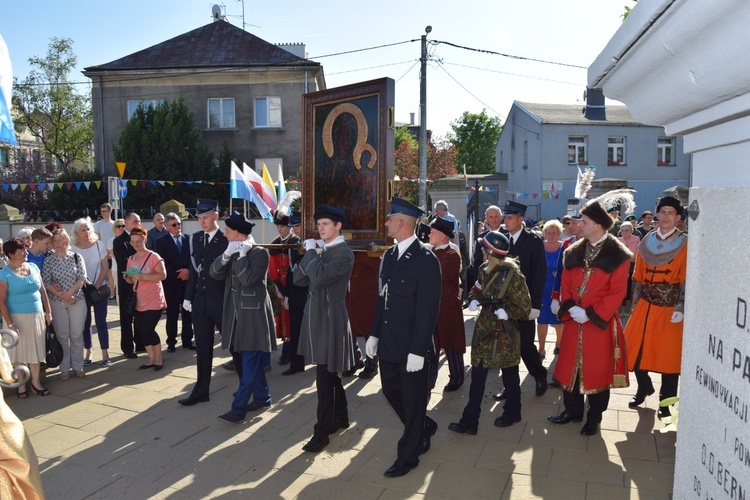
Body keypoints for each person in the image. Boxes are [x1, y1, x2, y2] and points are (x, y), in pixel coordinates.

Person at [366, 197, 442, 478]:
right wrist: (374, 334)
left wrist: (419, 350)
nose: (385, 223)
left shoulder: (426, 260)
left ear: (401, 222)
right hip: (390, 341)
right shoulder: (389, 256)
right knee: (391, 392)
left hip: (412, 345)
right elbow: (381, 300)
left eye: (389, 219)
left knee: (412, 401)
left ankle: (408, 456)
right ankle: (423, 424)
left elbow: (428, 310)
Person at [548, 200, 631, 436]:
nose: (579, 225)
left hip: (598, 324)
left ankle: (594, 417)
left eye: (584, 222)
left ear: (598, 225)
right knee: (569, 367)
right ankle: (573, 411)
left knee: (597, 371)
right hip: (574, 320)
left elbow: (618, 292)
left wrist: (591, 314)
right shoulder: (573, 250)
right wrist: (568, 305)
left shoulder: (619, 255)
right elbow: (565, 281)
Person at [449, 230, 531, 434]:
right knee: (477, 375)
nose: (482, 252)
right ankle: (470, 421)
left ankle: (513, 411)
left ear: (491, 252)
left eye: (484, 249)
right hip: (485, 329)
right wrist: (474, 299)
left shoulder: (514, 276)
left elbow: (525, 307)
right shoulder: (484, 269)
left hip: (504, 332)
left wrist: (508, 312)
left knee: (510, 374)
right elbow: (476, 289)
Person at [293, 204, 356, 452]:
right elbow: (299, 279)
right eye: (318, 225)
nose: (320, 229)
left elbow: (317, 278)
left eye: (325, 224)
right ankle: (340, 417)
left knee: (324, 378)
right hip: (317, 316)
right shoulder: (322, 252)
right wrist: (313, 255)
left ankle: (322, 433)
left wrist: (311, 254)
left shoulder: (343, 253)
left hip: (330, 318)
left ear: (338, 226)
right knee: (329, 373)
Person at [624, 196, 687, 418]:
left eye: (672, 213)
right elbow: (638, 277)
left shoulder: (685, 242)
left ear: (678, 217)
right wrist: (634, 302)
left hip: (671, 309)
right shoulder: (646, 240)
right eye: (663, 212)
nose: (667, 216)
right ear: (657, 215)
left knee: (668, 360)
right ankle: (644, 387)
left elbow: (686, 279)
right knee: (633, 350)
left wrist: (682, 306)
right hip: (645, 305)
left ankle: (666, 404)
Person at [212, 212, 276, 423]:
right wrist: (226, 256)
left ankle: (238, 409)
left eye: (228, 230)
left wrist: (241, 256)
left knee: (249, 362)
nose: (224, 233)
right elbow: (215, 274)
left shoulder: (259, 253)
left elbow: (248, 279)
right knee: (253, 359)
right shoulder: (232, 250)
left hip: (253, 315)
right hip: (236, 315)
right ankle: (262, 397)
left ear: (237, 232)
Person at [494, 201, 548, 400]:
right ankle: (510, 387)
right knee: (506, 347)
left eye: (509, 218)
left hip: (524, 304)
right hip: (504, 305)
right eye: (505, 218)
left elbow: (539, 274)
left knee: (525, 345)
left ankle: (540, 375)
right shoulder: (502, 241)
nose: (505, 221)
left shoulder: (533, 241)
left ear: (520, 219)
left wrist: (535, 306)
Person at [178, 199, 228, 406]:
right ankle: (201, 391)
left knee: (235, 346)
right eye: (199, 218)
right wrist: (188, 297)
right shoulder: (196, 239)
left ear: (216, 216)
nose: (201, 221)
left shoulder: (226, 239)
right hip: (200, 302)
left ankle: (249, 387)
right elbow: (194, 272)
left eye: (205, 217)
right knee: (203, 349)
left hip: (221, 302)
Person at [0, 238, 53, 397]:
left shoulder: (34, 267)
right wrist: (10, 324)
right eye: (21, 251)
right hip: (16, 319)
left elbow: (43, 291)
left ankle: (36, 384)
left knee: (35, 352)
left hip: (36, 316)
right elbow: (1, 302)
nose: (25, 253)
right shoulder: (4, 273)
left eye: (25, 249)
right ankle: (21, 385)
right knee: (19, 354)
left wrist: (48, 311)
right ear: (11, 254)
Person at [42, 228, 88, 380]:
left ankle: (78, 366)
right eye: (55, 241)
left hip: (77, 300)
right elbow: (46, 283)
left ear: (66, 240)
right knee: (62, 336)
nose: (58, 243)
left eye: (60, 240)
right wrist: (62, 295)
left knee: (76, 334)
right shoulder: (48, 260)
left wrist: (70, 294)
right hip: (57, 302)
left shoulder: (76, 256)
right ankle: (64, 368)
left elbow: (82, 278)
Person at [426, 216, 466, 392]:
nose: (428, 235)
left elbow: (437, 274)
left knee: (451, 344)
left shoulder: (451, 254)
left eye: (432, 232)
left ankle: (457, 377)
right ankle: (428, 383)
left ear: (442, 236)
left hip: (448, 307)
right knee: (433, 346)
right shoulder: (433, 252)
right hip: (435, 306)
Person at [124, 227, 167, 371]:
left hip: (154, 298)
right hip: (139, 299)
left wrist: (143, 276)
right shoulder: (131, 259)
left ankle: (159, 359)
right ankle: (151, 359)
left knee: (148, 329)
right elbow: (131, 281)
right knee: (142, 330)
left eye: (139, 241)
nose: (136, 244)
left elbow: (162, 275)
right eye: (133, 241)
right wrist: (127, 278)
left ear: (145, 240)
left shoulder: (153, 256)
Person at [71, 218, 111, 367]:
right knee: (85, 323)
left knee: (101, 322)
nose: (87, 232)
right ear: (76, 232)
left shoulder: (99, 245)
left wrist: (96, 285)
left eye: (88, 229)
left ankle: (105, 353)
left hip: (99, 289)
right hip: (82, 291)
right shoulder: (72, 249)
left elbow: (105, 267)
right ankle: (88, 352)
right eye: (83, 230)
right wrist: (86, 287)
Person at [154, 213, 193, 353]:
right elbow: (162, 263)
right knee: (172, 314)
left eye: (179, 224)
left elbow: (193, 258)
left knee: (188, 312)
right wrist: (179, 273)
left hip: (187, 282)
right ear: (167, 227)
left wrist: (187, 271)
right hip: (171, 282)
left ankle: (188, 340)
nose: (178, 227)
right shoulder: (161, 241)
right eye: (174, 225)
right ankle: (171, 341)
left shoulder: (188, 239)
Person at [113, 212, 144, 358]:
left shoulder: (142, 238)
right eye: (135, 220)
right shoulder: (119, 241)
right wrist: (138, 270)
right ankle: (127, 348)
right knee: (126, 316)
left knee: (140, 315)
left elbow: (146, 257)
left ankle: (140, 343)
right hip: (127, 283)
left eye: (139, 220)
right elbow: (124, 262)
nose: (138, 222)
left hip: (141, 283)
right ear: (127, 222)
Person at [282, 211, 307, 376]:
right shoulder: (294, 243)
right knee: (296, 330)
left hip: (310, 293)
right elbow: (291, 271)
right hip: (296, 293)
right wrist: (287, 294)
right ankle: (297, 363)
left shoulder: (314, 243)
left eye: (297, 225)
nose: (294, 229)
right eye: (293, 226)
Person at [268, 211, 293, 365]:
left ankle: (293, 351)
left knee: (292, 320)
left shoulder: (296, 241)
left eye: (282, 226)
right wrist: (278, 287)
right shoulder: (275, 243)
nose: (280, 229)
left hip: (294, 284)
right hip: (281, 284)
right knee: (283, 319)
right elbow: (272, 269)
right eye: (278, 226)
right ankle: (286, 350)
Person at [537, 220, 564, 359]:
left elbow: (569, 267)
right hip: (542, 288)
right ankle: (541, 349)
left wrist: (561, 274)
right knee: (542, 320)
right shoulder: (539, 247)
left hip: (559, 287)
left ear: (559, 234)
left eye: (554, 232)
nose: (551, 235)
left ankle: (558, 345)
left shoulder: (565, 247)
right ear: (544, 234)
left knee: (559, 320)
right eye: (549, 232)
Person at [617, 221, 640, 313]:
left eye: (627, 230)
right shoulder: (618, 240)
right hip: (622, 266)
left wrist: (629, 259)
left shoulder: (637, 239)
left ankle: (627, 308)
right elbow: (618, 254)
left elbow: (638, 253)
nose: (625, 232)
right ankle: (618, 308)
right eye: (622, 230)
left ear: (631, 231)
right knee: (621, 286)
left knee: (630, 286)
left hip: (633, 265)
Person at [94, 203, 116, 294]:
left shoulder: (115, 224)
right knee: (102, 272)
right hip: (102, 253)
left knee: (111, 273)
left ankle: (112, 293)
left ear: (110, 211)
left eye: (105, 211)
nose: (103, 213)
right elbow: (96, 239)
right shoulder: (97, 225)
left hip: (113, 253)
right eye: (102, 211)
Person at [107, 218, 126, 301]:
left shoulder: (129, 239)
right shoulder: (111, 241)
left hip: (129, 267)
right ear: (115, 228)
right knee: (119, 288)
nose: (121, 228)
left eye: (123, 226)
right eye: (118, 226)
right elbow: (114, 255)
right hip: (116, 268)